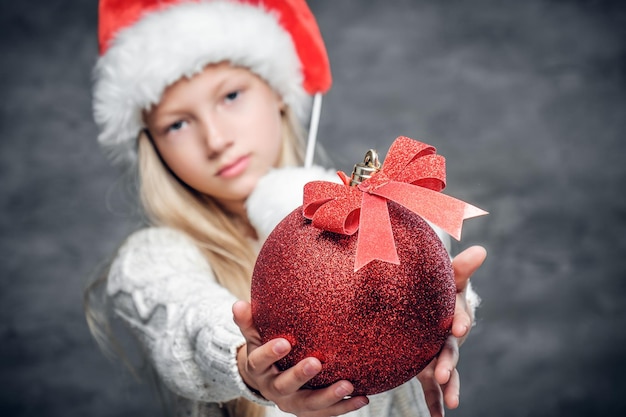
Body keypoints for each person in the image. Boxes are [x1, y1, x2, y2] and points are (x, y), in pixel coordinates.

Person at [85, 1, 487, 416]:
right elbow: (187, 323)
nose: (216, 138)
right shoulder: (152, 259)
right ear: (152, 145)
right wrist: (249, 359)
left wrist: (434, 308)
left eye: (231, 95)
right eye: (177, 124)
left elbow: (411, 285)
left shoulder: (367, 216)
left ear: (278, 94)